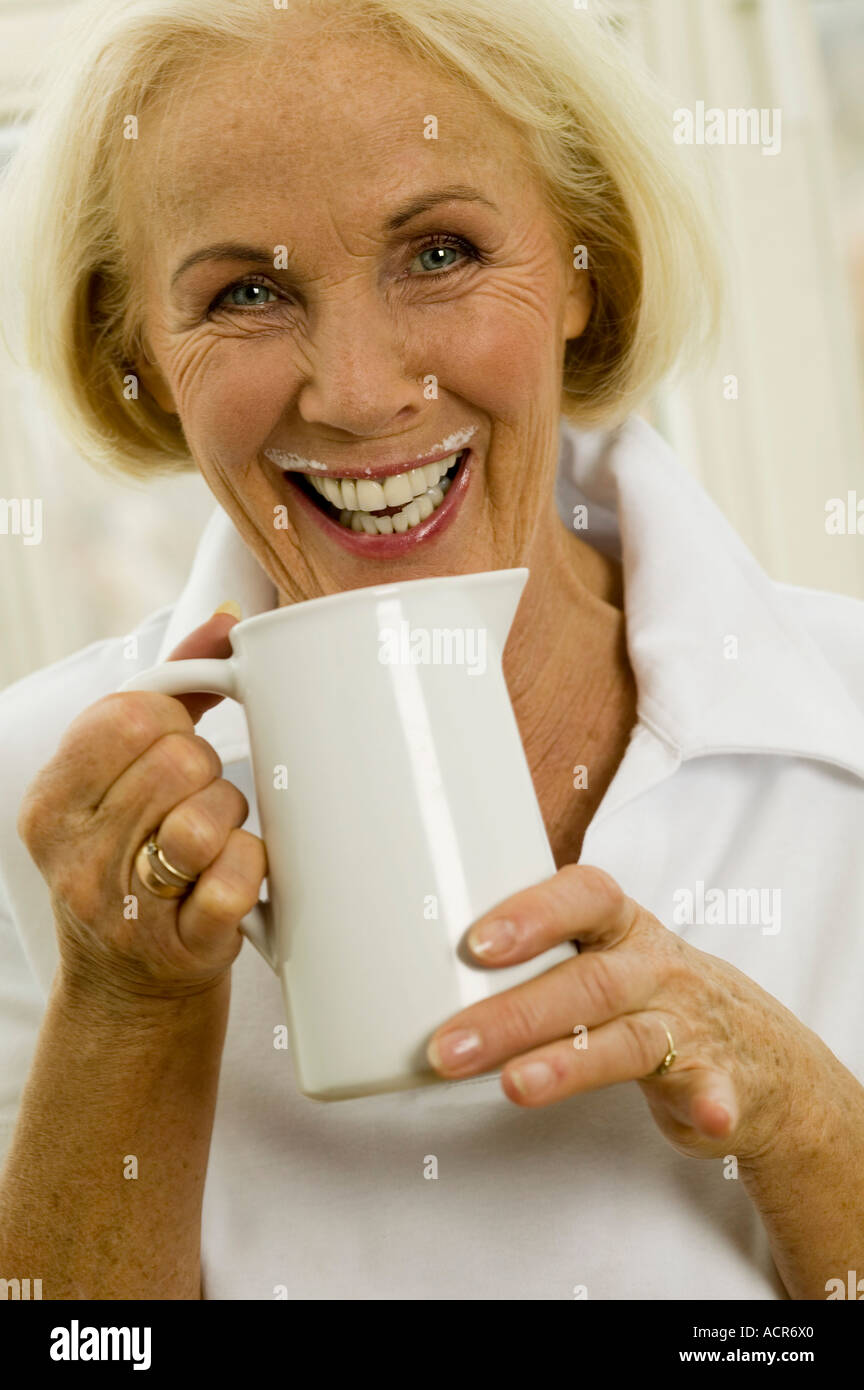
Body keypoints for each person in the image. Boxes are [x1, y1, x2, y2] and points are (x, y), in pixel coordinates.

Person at [0, 0, 862, 1301]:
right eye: (246, 291)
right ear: (143, 357)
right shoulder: (39, 806)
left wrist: (807, 1115)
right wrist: (125, 1011)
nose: (354, 389)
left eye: (441, 252)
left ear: (580, 268)